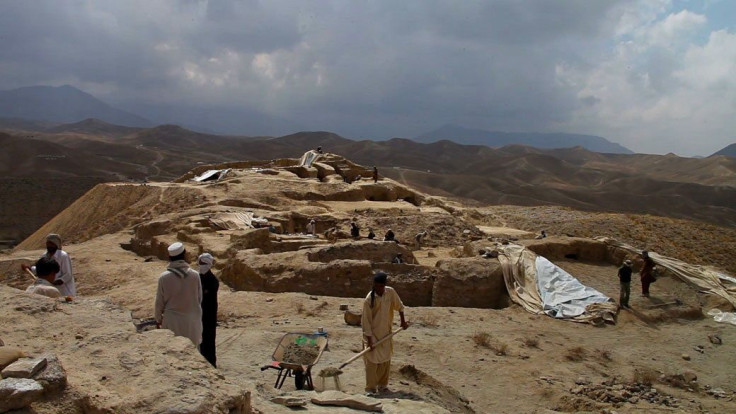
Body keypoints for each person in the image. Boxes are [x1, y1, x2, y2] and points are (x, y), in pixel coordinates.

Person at [361, 272, 409, 395]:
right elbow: (366, 322)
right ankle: (370, 388)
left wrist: (403, 322)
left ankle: (382, 385)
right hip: (372, 335)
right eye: (376, 286)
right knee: (372, 362)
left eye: (381, 286)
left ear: (384, 285)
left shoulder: (390, 292)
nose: (379, 289)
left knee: (385, 361)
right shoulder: (369, 300)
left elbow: (400, 306)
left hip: (386, 334)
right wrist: (370, 341)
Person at [154, 242, 203, 348]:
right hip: (191, 320)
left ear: (170, 257)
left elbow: (159, 302)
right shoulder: (195, 275)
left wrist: (158, 319)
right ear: (184, 255)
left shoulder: (164, 277)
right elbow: (199, 298)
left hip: (172, 322)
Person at [198, 253, 219, 367]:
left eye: (204, 263)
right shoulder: (197, 277)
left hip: (209, 315)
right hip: (198, 314)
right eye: (200, 263)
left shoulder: (212, 280)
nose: (201, 265)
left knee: (209, 340)